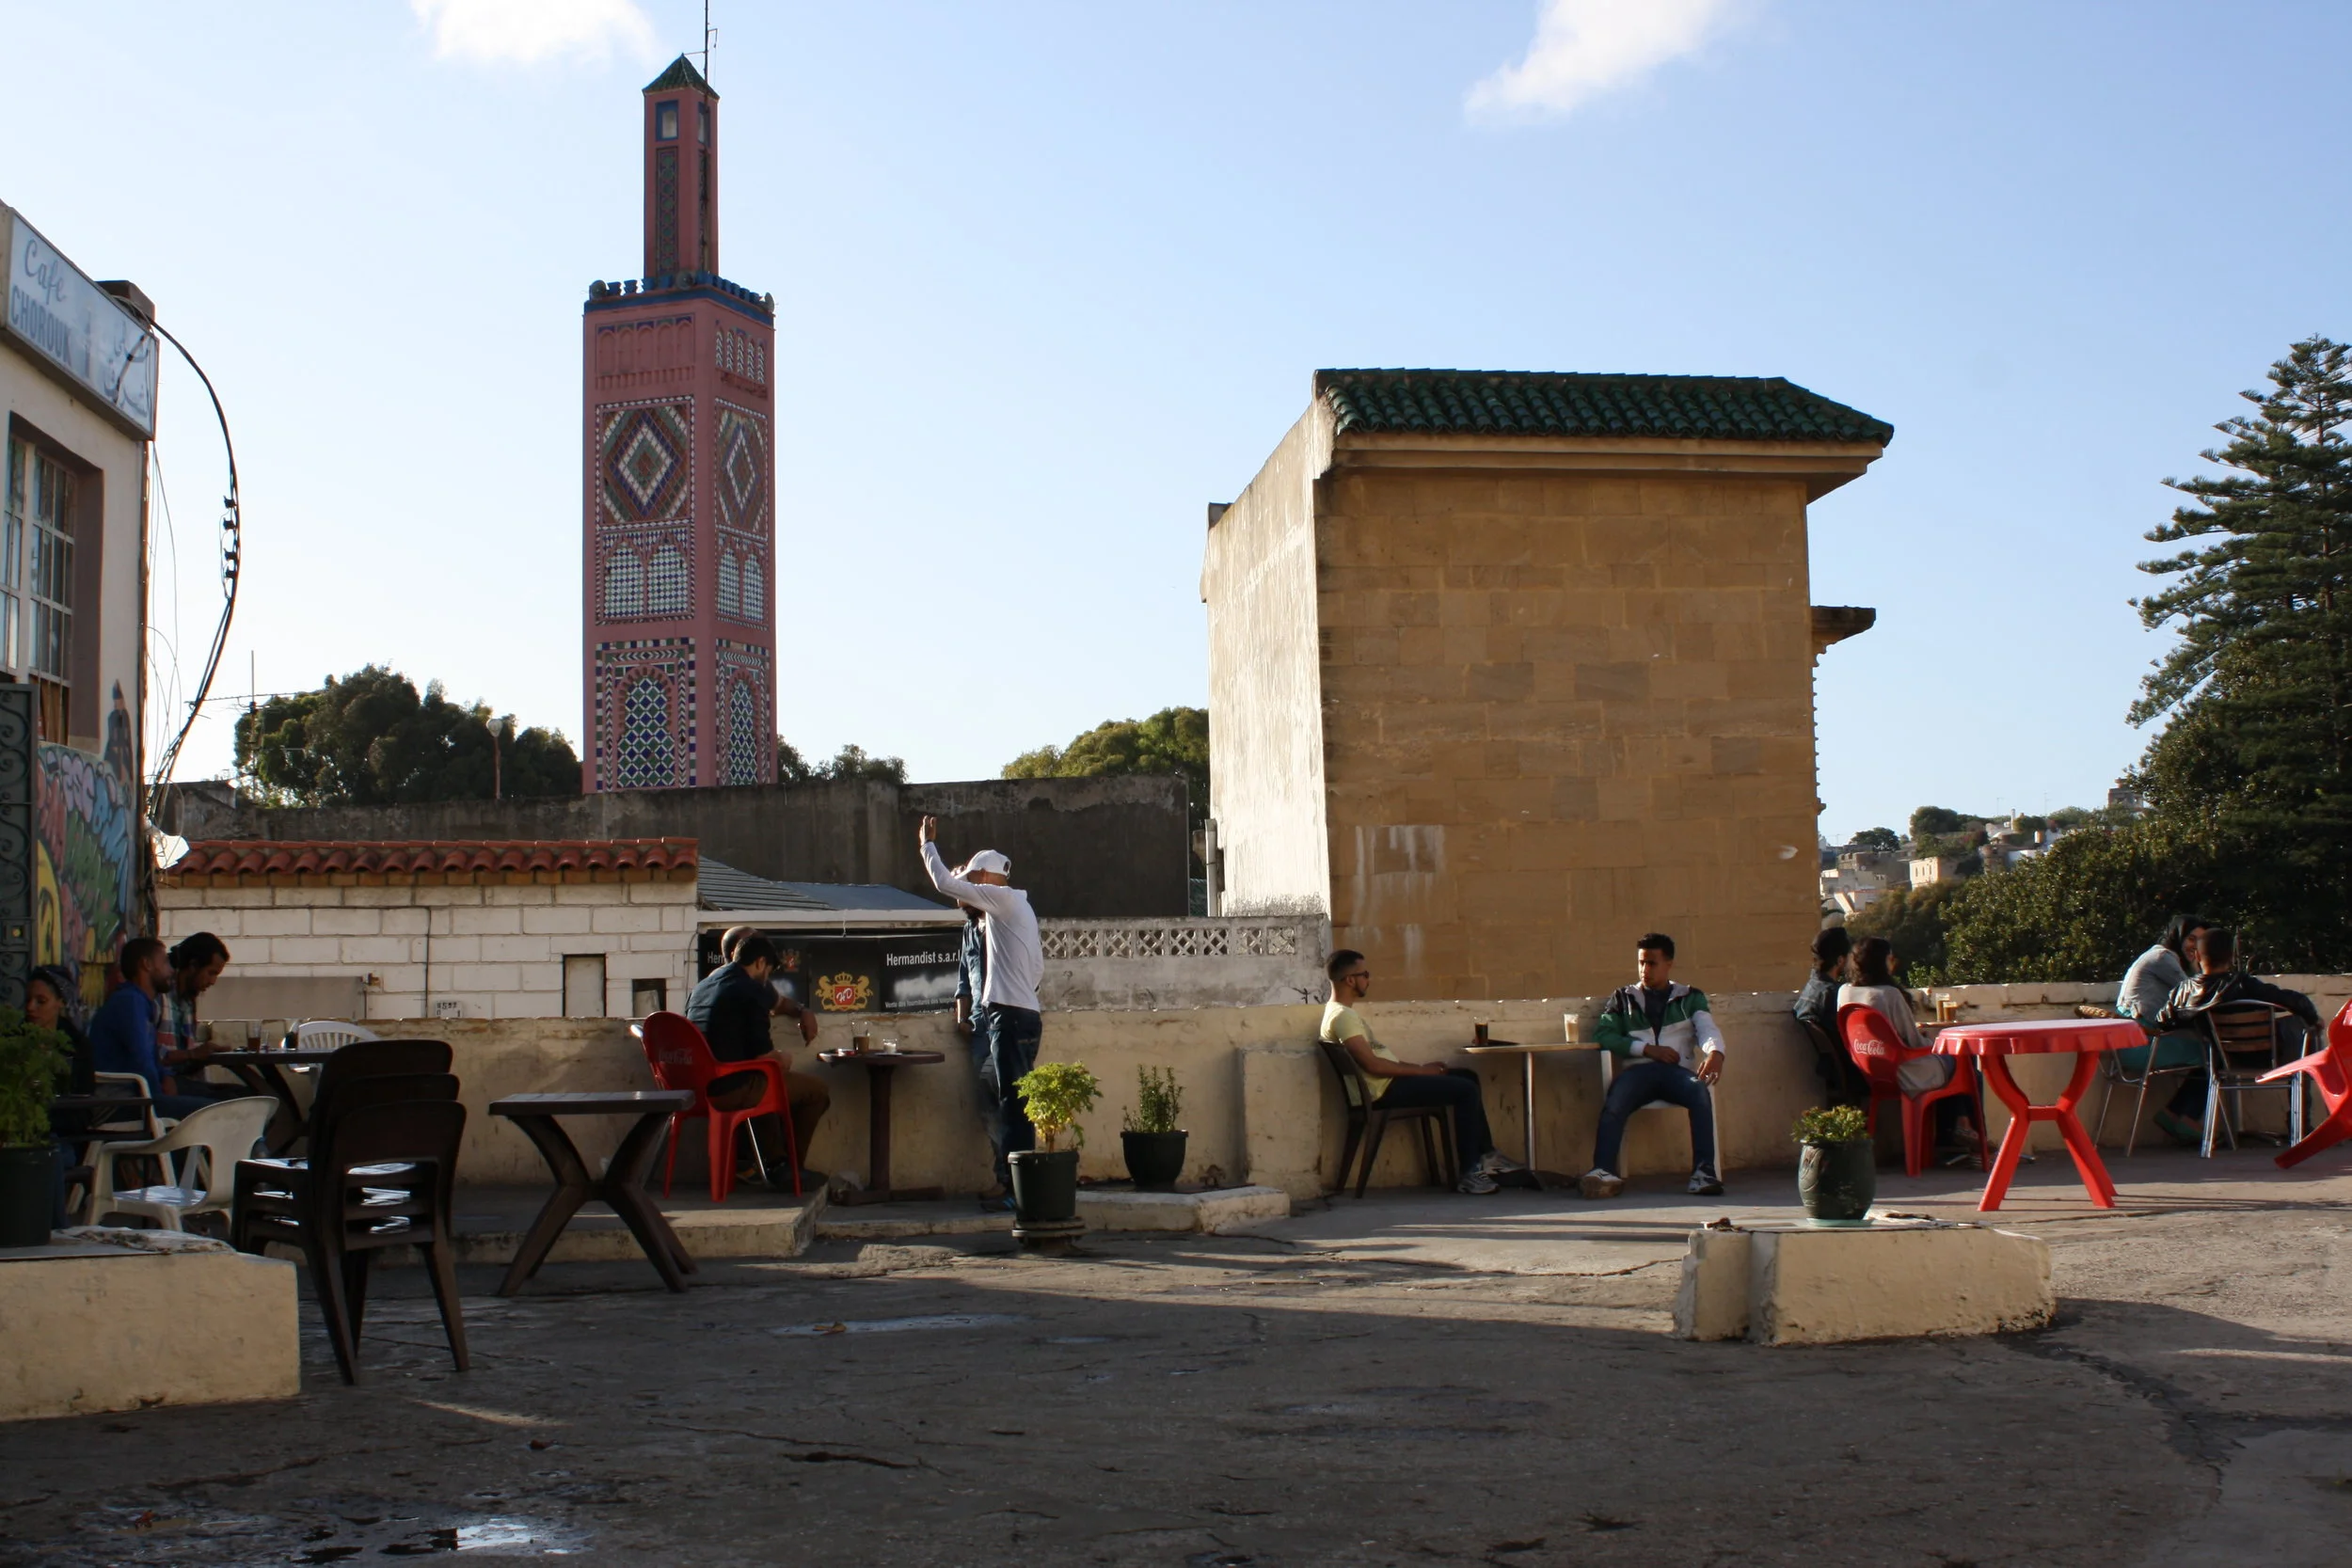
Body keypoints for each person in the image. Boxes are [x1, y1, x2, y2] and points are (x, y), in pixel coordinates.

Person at [1319, 949, 1519, 1195]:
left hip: (1387, 1083)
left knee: (1468, 1077)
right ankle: (1470, 1172)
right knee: (1465, 1090)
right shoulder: (1343, 1017)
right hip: (1383, 1091)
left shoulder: (1341, 1014)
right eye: (1365, 974)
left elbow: (1380, 1059)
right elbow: (1373, 1066)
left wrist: (1422, 1069)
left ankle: (1486, 1155)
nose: (1368, 979)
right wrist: (1422, 1073)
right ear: (1350, 980)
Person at [918, 818, 1041, 1208]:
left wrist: (927, 846)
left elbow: (944, 884)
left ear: (989, 876)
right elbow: (1036, 971)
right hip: (1019, 1013)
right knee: (1012, 1099)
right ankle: (1019, 1186)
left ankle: (1018, 1191)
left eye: (975, 877)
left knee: (1013, 1104)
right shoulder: (1012, 910)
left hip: (1009, 1017)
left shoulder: (1002, 900)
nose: (971, 884)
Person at [2150, 925, 2322, 1146]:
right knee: (2303, 1031)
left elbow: (2161, 1021)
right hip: (2268, 1058)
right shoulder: (2244, 984)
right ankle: (2301, 1126)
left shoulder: (2183, 991)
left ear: (2197, 955)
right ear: (2231, 957)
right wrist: (2313, 1019)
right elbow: (2297, 1001)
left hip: (2221, 1061)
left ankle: (2179, 1113)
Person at [684, 932, 829, 1191]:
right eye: (769, 970)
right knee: (816, 1091)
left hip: (694, 1086)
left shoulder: (703, 986)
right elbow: (767, 1059)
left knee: (768, 1082)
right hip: (731, 1087)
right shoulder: (750, 990)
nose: (768, 978)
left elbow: (778, 1004)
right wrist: (784, 1058)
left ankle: (769, 1162)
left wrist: (801, 1010)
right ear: (761, 963)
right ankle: (789, 1171)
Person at [1584, 933, 1725, 1199]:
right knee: (1616, 1100)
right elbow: (1603, 1035)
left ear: (1668, 963)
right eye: (1641, 963)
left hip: (1677, 1074)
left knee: (1698, 1091)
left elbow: (1707, 1029)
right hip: (1638, 1072)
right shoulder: (1623, 998)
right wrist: (1647, 1049)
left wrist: (1715, 1052)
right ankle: (1602, 1171)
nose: (1644, 970)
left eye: (1651, 963)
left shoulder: (1690, 997)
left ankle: (1704, 1172)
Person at [1838, 935, 1979, 1154]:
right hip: (1904, 1072)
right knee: (1966, 1061)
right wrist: (1937, 1043)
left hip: (1871, 1072)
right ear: (1883, 961)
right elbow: (1913, 1042)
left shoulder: (1845, 992)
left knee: (1954, 1064)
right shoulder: (1890, 995)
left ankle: (1954, 1134)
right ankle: (1964, 1133)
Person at [2113, 914, 2217, 1145]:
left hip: (2133, 1042)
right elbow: (2197, 995)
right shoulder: (2163, 957)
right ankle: (2186, 1118)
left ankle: (2173, 1115)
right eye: (2191, 939)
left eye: (2202, 942)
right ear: (2177, 935)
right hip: (2142, 1044)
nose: (2195, 946)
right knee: (2215, 1055)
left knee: (2208, 1052)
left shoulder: (2161, 956)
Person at [88, 937, 213, 1120]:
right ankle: (259, 1149)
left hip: (138, 1099)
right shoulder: (129, 1002)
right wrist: (161, 1097)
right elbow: (142, 1059)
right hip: (120, 1104)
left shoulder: (140, 1002)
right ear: (146, 964)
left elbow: (151, 1055)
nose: (171, 970)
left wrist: (166, 1076)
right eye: (164, 963)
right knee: (216, 1112)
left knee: (224, 1105)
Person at [949, 891, 1002, 1199]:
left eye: (967, 902)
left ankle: (1015, 1175)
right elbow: (963, 982)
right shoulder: (970, 930)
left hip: (1004, 1022)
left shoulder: (1001, 923)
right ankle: (1004, 1175)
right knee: (987, 1106)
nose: (964, 908)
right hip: (979, 1029)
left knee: (1002, 1092)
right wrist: (962, 1020)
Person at [154, 933, 243, 1103]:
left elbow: (187, 1055)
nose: (213, 981)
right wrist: (193, 1054)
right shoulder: (159, 994)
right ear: (193, 965)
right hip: (164, 1083)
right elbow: (152, 1054)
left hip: (186, 1079)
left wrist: (205, 1054)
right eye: (211, 973)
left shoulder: (188, 1000)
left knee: (248, 1098)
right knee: (232, 1103)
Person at [1793, 927, 1867, 1105]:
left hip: (1830, 1073)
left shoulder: (1809, 990)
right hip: (1853, 1075)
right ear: (1840, 960)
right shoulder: (1834, 994)